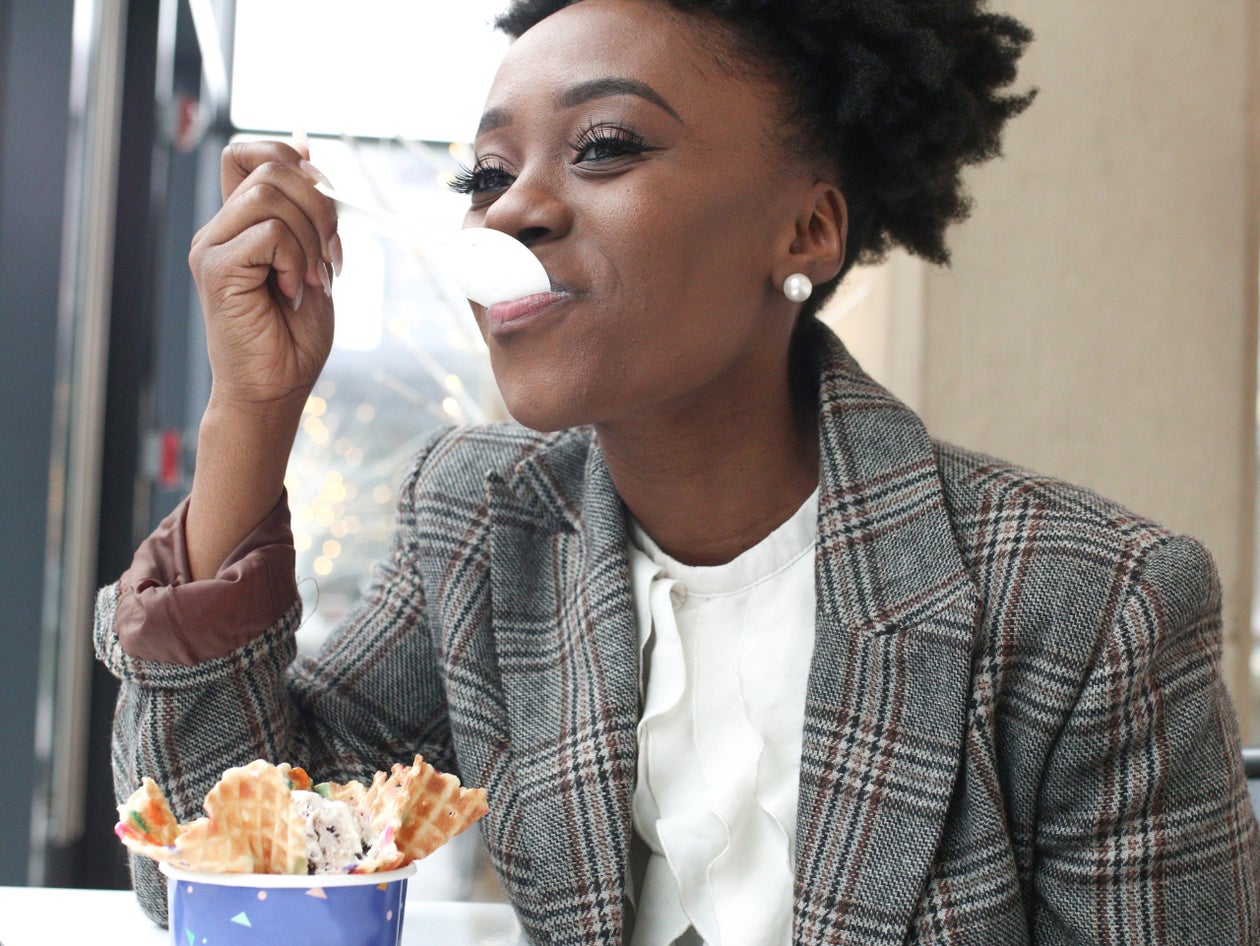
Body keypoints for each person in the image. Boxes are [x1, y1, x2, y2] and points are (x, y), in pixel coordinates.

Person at [95, 0, 1260, 942]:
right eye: (484, 176)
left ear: (806, 231)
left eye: (605, 146)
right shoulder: (486, 516)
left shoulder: (1095, 605)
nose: (517, 209)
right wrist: (254, 406)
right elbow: (216, 877)